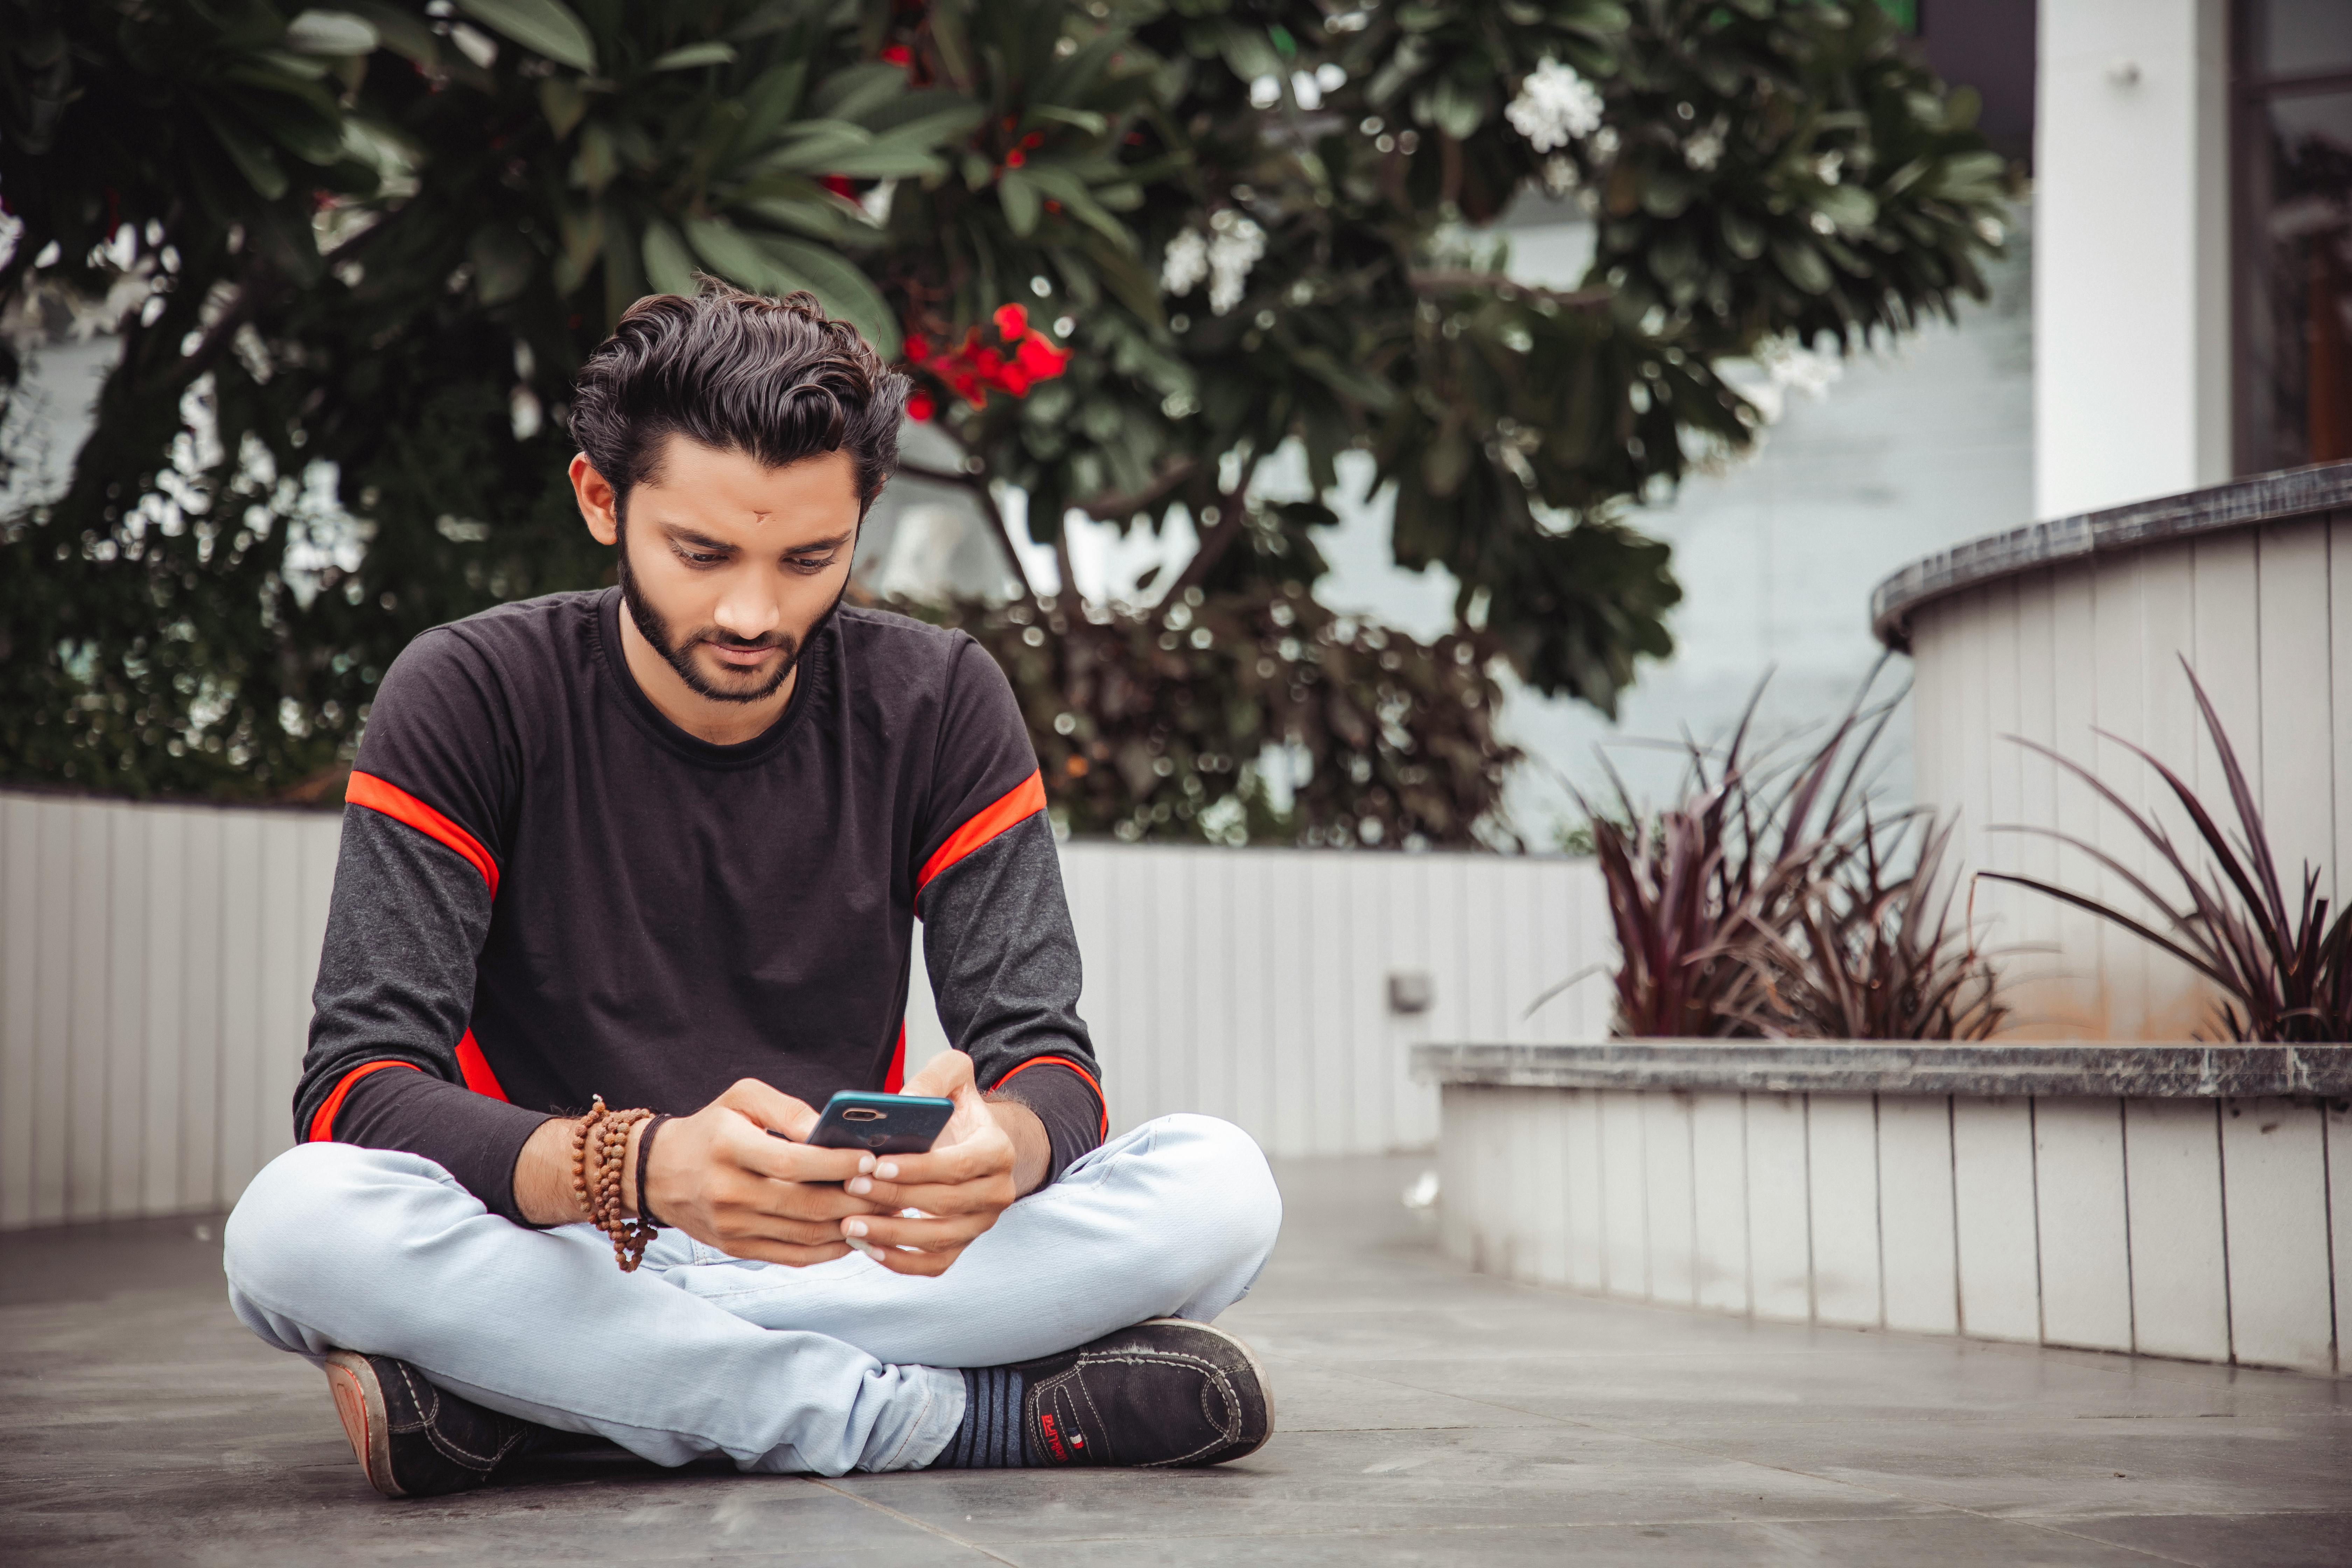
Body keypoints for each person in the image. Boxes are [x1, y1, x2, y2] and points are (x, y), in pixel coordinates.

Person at [220, 284, 1281, 1500]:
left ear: (861, 521)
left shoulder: (938, 703)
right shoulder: (467, 693)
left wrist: (1008, 1148)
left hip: (843, 1256)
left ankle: (553, 1399)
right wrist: (635, 1170)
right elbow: (358, 1087)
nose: (751, 613)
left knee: (1221, 1185)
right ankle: (917, 1421)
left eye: (808, 559)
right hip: (558, 1248)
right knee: (291, 1226)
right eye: (702, 552)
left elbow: (1048, 1058)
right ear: (601, 500)